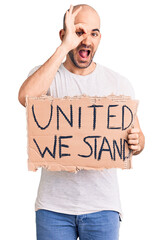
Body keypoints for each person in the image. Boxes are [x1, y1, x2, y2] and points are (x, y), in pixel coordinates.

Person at [18, 4, 145, 240]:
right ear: (63, 34)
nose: (87, 39)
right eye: (79, 32)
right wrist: (64, 46)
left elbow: (137, 136)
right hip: (53, 209)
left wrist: (138, 143)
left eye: (94, 33)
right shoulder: (46, 76)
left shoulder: (117, 83)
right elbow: (25, 98)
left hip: (103, 208)